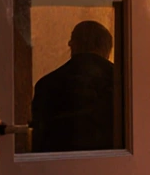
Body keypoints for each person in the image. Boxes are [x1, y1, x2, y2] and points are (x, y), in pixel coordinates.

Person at [30, 20, 116, 152]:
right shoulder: (125, 84)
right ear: (106, 48)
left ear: (73, 45)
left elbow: (39, 141)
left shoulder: (47, 84)